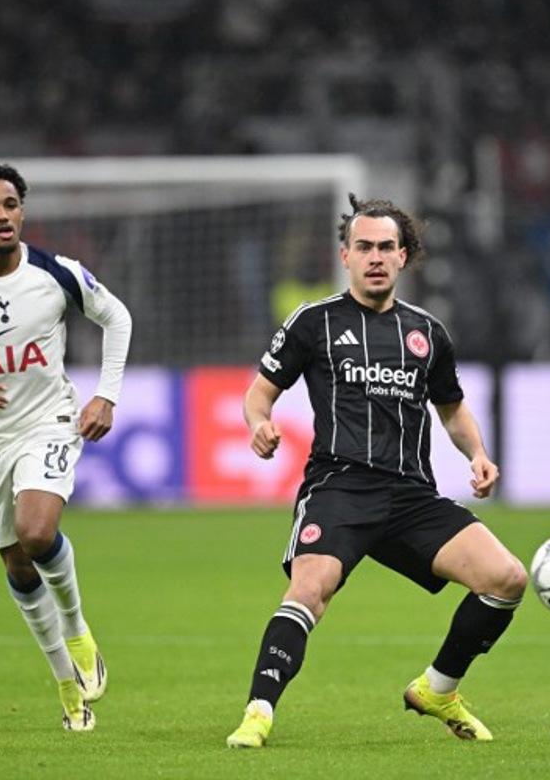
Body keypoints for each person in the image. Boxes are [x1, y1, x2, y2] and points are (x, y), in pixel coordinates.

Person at [226, 194, 527, 748]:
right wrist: (258, 423)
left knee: (507, 579)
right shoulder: (313, 323)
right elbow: (258, 393)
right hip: (339, 486)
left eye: (387, 246)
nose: (375, 256)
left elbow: (452, 407)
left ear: (405, 257)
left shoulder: (428, 333)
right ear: (345, 255)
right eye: (363, 246)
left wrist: (477, 455)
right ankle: (258, 713)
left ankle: (438, 689)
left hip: (412, 496)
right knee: (309, 590)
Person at [0, 162, 133, 732]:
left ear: (22, 212)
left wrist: (105, 396)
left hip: (49, 421)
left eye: (12, 204)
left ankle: (78, 628)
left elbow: (117, 317)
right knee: (15, 559)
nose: (4, 214)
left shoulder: (54, 273)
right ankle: (65, 679)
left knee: (37, 532)